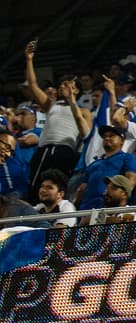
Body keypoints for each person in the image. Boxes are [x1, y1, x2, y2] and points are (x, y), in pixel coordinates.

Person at [22, 40, 91, 202]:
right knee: (36, 186)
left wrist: (72, 100)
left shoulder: (84, 111)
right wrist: (29, 59)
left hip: (65, 151)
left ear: (76, 90)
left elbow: (87, 134)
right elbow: (33, 85)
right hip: (43, 150)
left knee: (59, 187)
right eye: (61, 85)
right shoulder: (52, 105)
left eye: (68, 85)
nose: (62, 87)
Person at [77, 124, 136, 210]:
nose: (107, 138)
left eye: (111, 136)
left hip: (109, 208)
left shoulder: (127, 158)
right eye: (104, 136)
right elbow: (82, 188)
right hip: (86, 209)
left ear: (122, 140)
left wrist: (120, 205)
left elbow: (131, 180)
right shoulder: (94, 163)